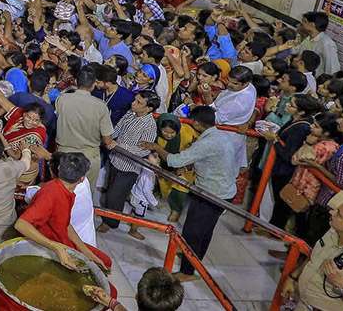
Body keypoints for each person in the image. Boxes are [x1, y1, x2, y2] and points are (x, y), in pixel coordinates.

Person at [141, 106, 238, 281]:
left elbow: (174, 160)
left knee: (194, 230)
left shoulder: (207, 142)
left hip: (211, 194)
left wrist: (156, 146)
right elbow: (213, 161)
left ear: (197, 123)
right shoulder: (222, 136)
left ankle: (187, 271)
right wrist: (191, 164)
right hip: (224, 190)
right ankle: (193, 259)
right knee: (205, 229)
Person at [14, 151, 111, 273]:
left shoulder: (68, 192)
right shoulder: (51, 193)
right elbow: (21, 224)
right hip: (48, 243)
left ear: (59, 168)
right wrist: (55, 247)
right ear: (82, 179)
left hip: (61, 239)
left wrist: (87, 252)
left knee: (105, 262)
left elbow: (66, 224)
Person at [98, 90, 158, 238]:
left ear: (149, 108)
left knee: (115, 195)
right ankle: (108, 216)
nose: (133, 103)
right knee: (110, 190)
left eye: (139, 103)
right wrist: (109, 137)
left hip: (129, 167)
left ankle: (110, 222)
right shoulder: (130, 113)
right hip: (115, 160)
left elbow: (142, 150)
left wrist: (119, 146)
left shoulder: (150, 126)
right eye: (135, 100)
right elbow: (118, 128)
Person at [54, 66, 116, 186]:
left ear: (76, 82)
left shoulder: (62, 99)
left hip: (64, 154)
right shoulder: (101, 106)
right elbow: (107, 140)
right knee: (85, 193)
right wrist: (111, 143)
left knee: (62, 192)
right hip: (89, 158)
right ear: (93, 84)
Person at [298, 11, 342, 76]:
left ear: (312, 25)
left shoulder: (327, 44)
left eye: (304, 21)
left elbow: (332, 69)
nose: (301, 24)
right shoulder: (308, 38)